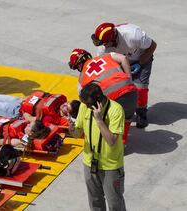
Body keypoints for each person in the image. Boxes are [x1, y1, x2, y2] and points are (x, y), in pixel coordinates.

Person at [69, 83, 126, 211]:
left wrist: (99, 120)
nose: (87, 107)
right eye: (85, 104)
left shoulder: (116, 110)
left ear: (99, 100)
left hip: (110, 166)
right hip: (90, 163)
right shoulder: (85, 106)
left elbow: (111, 140)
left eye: (89, 104)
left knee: (115, 203)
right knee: (95, 201)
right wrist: (72, 130)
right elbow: (78, 133)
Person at [91, 22, 157, 128]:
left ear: (112, 40)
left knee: (140, 89)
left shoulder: (134, 35)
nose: (102, 45)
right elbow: (105, 66)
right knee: (120, 89)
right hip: (120, 62)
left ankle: (141, 113)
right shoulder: (102, 49)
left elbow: (153, 46)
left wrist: (140, 63)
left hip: (142, 58)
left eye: (104, 43)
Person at [0, 76, 81, 126]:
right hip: (20, 102)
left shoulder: (55, 118)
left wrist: (28, 117)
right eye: (67, 103)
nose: (64, 104)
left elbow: (37, 121)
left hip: (16, 111)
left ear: (68, 114)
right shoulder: (58, 101)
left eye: (66, 108)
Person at [69, 48, 137, 144]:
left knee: (107, 121)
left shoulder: (82, 77)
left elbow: (83, 98)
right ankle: (122, 141)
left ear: (79, 65)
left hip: (113, 100)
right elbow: (124, 58)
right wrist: (129, 78)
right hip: (131, 91)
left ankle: (116, 145)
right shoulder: (107, 56)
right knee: (127, 118)